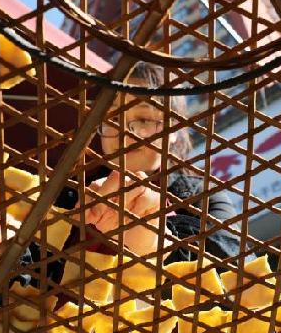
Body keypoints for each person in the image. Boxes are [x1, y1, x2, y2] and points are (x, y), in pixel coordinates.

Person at [67, 61, 242, 263]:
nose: (123, 134)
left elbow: (237, 267)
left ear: (174, 129)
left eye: (143, 119)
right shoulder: (72, 192)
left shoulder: (202, 196)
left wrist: (156, 243)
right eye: (112, 119)